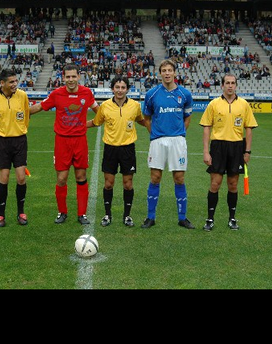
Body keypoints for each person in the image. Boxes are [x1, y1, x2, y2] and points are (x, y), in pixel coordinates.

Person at [29, 64, 99, 225]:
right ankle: (62, 212)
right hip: (62, 141)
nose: (71, 80)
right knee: (62, 178)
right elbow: (40, 106)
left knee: (81, 176)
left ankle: (82, 214)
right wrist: (22, 113)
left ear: (78, 77)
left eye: (73, 76)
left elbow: (99, 111)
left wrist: (93, 123)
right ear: (63, 77)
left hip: (80, 140)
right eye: (68, 77)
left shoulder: (86, 93)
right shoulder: (57, 93)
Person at [199, 73, 258, 231]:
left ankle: (232, 219)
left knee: (233, 185)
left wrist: (247, 151)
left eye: (233, 83)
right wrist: (206, 151)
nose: (230, 85)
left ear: (236, 85)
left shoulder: (244, 104)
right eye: (227, 83)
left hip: (237, 147)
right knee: (215, 184)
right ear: (222, 85)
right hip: (218, 147)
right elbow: (206, 128)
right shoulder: (214, 104)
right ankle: (210, 219)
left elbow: (249, 129)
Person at [141, 58, 195, 230]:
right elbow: (146, 119)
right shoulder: (152, 94)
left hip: (178, 141)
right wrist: (155, 134)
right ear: (159, 73)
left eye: (169, 70)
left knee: (179, 179)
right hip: (158, 141)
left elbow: (187, 117)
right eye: (163, 70)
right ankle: (150, 217)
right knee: (155, 177)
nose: (167, 73)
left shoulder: (185, 94)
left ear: (174, 72)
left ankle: (182, 218)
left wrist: (179, 133)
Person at [87, 75, 146, 227]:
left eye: (123, 87)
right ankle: (107, 215)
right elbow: (96, 122)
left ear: (127, 89)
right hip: (110, 149)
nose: (120, 90)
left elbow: (141, 120)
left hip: (128, 149)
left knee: (128, 184)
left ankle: (127, 216)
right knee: (108, 183)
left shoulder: (135, 106)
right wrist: (78, 125)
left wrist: (158, 127)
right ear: (112, 89)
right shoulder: (105, 106)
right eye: (117, 87)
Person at [0, 69, 30, 227]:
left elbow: (25, 116)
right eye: (11, 82)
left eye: (15, 81)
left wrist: (19, 131)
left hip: (19, 141)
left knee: (21, 178)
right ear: (2, 83)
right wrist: (3, 131)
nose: (15, 84)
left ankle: (21, 212)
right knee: (3, 178)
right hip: (2, 142)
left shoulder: (23, 96)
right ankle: (1, 215)